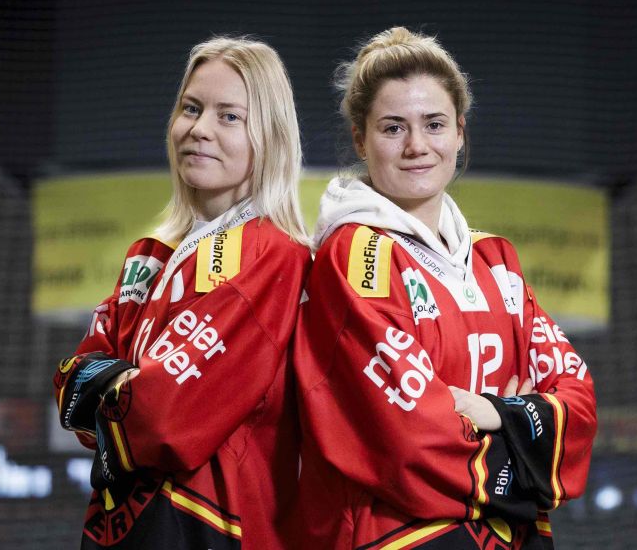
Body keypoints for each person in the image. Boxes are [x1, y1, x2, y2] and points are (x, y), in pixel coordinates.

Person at [293, 27, 597, 549]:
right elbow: (407, 441)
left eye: (434, 124)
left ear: (459, 131)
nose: (417, 146)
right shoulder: (355, 255)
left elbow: (580, 401)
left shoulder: (494, 257)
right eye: (393, 128)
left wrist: (496, 414)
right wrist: (523, 451)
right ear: (360, 139)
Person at [53, 36, 311, 549]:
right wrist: (119, 389)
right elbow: (70, 390)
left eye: (229, 116)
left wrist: (118, 386)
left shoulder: (274, 254)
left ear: (271, 137)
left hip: (219, 529)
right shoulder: (147, 253)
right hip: (121, 528)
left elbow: (162, 419)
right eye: (191, 108)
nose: (199, 129)